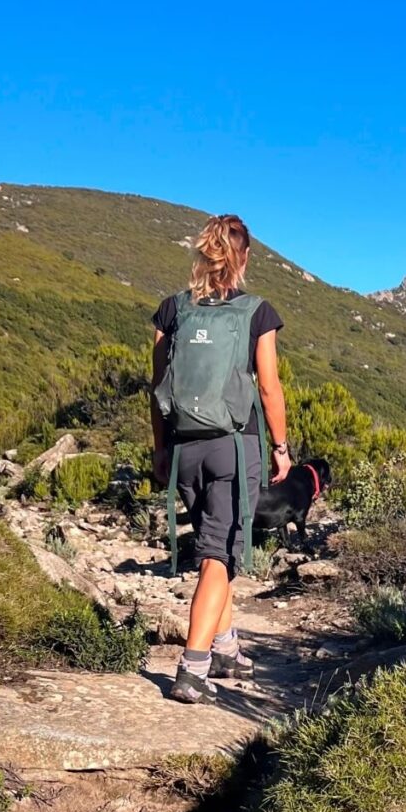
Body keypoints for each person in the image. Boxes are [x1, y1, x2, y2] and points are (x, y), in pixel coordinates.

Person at [150, 214, 291, 704]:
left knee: (216, 549)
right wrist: (280, 446)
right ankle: (192, 668)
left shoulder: (173, 311)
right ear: (244, 257)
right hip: (234, 446)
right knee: (219, 554)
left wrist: (161, 449)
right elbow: (269, 387)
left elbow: (157, 390)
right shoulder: (256, 312)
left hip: (185, 447)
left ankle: (227, 647)